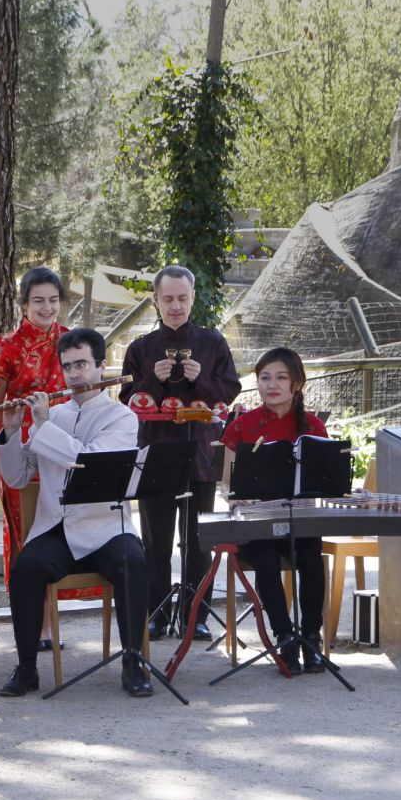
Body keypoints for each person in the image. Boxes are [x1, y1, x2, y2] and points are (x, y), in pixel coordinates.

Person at [0, 328, 152, 699]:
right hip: (57, 527)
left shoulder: (122, 418)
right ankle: (27, 667)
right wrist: (12, 433)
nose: (74, 375)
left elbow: (87, 463)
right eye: (67, 367)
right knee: (25, 569)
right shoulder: (52, 414)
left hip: (107, 526)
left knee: (133, 562)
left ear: (101, 366)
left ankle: (133, 661)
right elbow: (17, 479)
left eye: (82, 365)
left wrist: (45, 425)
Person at [120, 265, 240, 642]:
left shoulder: (212, 342)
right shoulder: (140, 348)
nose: (175, 306)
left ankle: (196, 614)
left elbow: (229, 392)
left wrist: (199, 378)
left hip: (200, 456)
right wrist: (151, 380)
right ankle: (157, 613)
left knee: (197, 540)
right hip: (156, 455)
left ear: (193, 298)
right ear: (155, 300)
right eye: (168, 299)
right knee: (155, 541)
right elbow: (127, 400)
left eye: (182, 298)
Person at [0, 267, 82, 650]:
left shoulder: (72, 342)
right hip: (24, 454)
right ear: (24, 304)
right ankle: (31, 626)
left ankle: (52, 624)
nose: (47, 307)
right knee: (25, 537)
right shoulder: (7, 345)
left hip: (65, 450)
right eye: (38, 300)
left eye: (53, 300)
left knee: (62, 532)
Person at [221, 347, 329, 675]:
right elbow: (226, 484)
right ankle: (284, 636)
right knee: (266, 557)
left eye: (281, 377)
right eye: (265, 378)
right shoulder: (243, 425)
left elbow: (323, 480)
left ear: (296, 383)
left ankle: (311, 636)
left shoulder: (311, 425)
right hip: (257, 522)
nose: (272, 385)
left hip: (298, 519)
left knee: (311, 555)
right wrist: (235, 498)